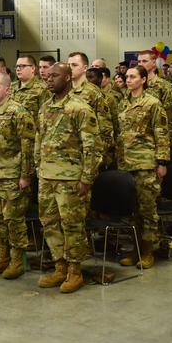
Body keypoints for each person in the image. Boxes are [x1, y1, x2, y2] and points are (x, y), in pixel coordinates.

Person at [35, 63, 101, 293]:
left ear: (68, 78)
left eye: (55, 76)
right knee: (49, 223)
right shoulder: (45, 108)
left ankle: (75, 270)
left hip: (71, 179)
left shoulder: (79, 108)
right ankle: (59, 266)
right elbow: (39, 140)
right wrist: (38, 167)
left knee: (72, 225)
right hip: (47, 176)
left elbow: (92, 147)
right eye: (48, 76)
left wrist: (86, 178)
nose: (49, 79)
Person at [0, 72, 35, 279]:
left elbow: (27, 146)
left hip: (12, 174)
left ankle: (17, 260)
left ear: (7, 89)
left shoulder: (18, 112)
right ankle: (2, 256)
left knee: (13, 219)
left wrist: (25, 175)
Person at [113, 65, 169, 268]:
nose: (128, 80)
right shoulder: (122, 103)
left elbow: (161, 133)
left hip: (146, 162)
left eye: (133, 77)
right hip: (126, 162)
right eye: (126, 77)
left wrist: (162, 162)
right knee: (132, 210)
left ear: (143, 79)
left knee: (147, 210)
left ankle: (148, 251)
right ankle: (135, 249)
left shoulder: (152, 103)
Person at [68, 52, 114, 168]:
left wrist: (100, 159)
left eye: (74, 65)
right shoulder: (65, 90)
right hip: (67, 155)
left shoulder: (93, 92)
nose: (70, 68)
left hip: (88, 154)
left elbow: (105, 127)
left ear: (85, 68)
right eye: (68, 65)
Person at [11, 55, 48, 121]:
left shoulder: (42, 89)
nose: (18, 69)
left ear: (33, 68)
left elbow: (45, 116)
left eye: (22, 66)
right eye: (17, 66)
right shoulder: (11, 86)